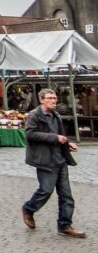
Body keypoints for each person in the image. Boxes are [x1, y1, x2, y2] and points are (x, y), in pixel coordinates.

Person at [21, 88, 85, 238]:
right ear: (42, 99)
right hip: (44, 160)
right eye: (50, 98)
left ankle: (65, 225)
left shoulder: (56, 115)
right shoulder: (34, 115)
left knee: (66, 195)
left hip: (60, 159)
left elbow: (60, 134)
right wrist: (55, 138)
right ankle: (29, 208)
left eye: (55, 98)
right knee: (46, 190)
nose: (54, 101)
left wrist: (67, 143)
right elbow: (30, 134)